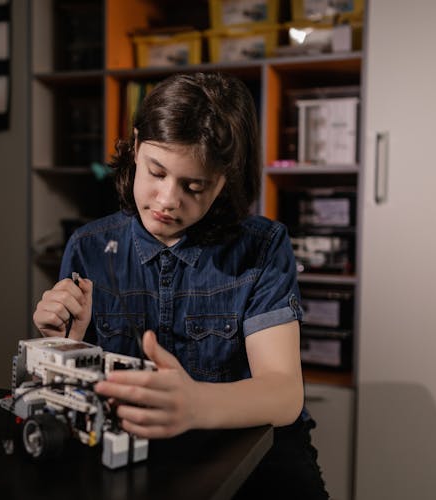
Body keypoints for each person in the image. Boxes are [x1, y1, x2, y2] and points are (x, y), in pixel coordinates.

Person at [32, 72, 328, 499]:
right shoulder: (90, 248)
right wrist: (63, 344)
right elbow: (79, 397)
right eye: (156, 172)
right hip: (134, 455)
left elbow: (284, 393)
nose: (168, 199)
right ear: (136, 147)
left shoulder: (262, 247)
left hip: (255, 456)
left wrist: (195, 405)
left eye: (194, 185)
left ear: (225, 180)